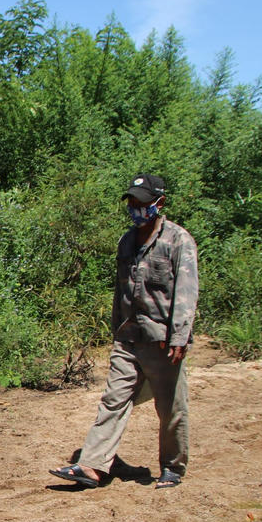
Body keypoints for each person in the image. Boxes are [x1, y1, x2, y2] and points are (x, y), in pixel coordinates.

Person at [50, 174, 198, 491]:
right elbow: (121, 291)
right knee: (113, 401)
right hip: (128, 338)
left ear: (160, 203)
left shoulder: (178, 241)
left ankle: (172, 468)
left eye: (142, 202)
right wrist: (116, 330)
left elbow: (186, 293)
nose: (135, 208)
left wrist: (179, 336)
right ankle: (92, 466)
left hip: (162, 342)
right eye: (131, 201)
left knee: (171, 408)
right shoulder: (127, 241)